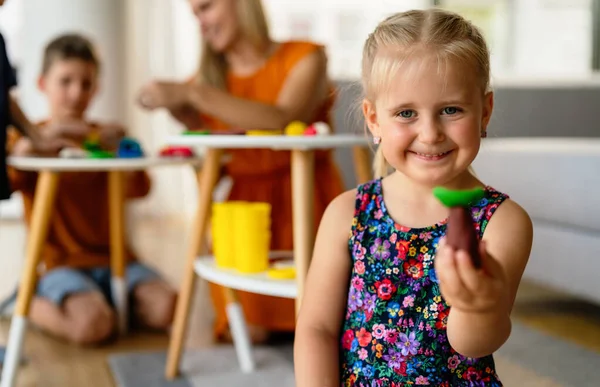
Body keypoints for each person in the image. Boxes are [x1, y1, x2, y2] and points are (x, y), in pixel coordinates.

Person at [294, 8, 534, 386]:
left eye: (451, 110)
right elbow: (316, 328)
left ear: (484, 112)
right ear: (374, 120)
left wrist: (477, 304)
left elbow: (474, 343)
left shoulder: (502, 222)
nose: (430, 132)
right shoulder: (346, 213)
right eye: (406, 113)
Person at [137, 0, 345, 342]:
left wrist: (194, 95)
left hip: (309, 204)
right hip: (246, 212)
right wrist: (189, 121)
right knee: (250, 330)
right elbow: (212, 175)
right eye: (194, 15)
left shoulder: (306, 57)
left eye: (206, 8)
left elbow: (283, 118)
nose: (200, 23)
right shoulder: (207, 83)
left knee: (322, 320)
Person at [5, 33, 177, 345]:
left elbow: (141, 188)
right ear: (43, 84)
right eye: (65, 81)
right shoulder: (30, 139)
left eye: (86, 84)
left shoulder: (103, 138)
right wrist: (43, 138)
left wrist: (127, 151)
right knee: (92, 327)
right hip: (59, 264)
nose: (75, 93)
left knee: (168, 308)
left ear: (96, 89)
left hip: (118, 260)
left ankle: (105, 302)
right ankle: (27, 301)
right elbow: (13, 171)